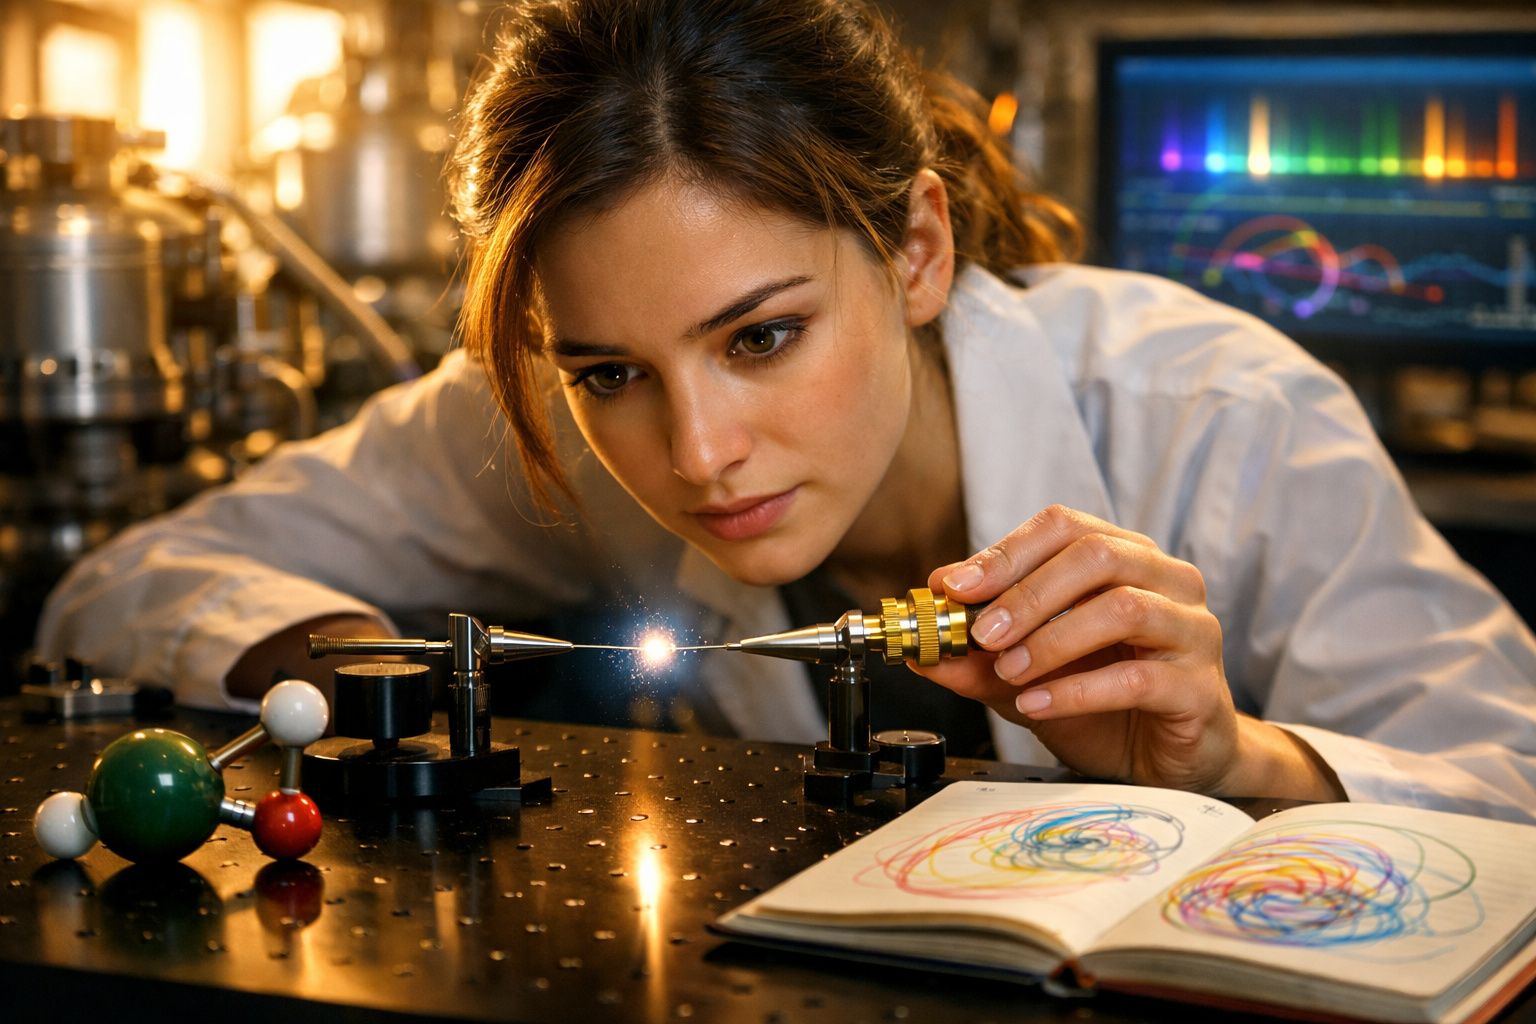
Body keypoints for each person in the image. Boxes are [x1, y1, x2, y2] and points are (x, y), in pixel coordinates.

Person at [36, 0, 1536, 820]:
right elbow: (128, 584)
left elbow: (1514, 776)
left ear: (919, 250)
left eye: (762, 335)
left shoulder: (1220, 416)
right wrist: (370, 674)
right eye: (611, 370)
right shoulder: (550, 434)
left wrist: (1235, 765)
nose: (695, 456)